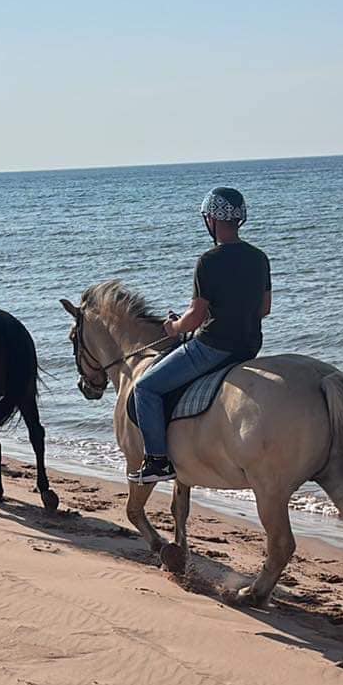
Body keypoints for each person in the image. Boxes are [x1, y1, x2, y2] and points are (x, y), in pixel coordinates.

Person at [127, 187, 272, 484]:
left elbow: (193, 318)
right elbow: (264, 309)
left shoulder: (209, 261)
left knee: (145, 388)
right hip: (248, 347)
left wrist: (173, 328)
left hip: (212, 347)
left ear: (211, 220)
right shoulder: (259, 258)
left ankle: (157, 461)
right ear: (239, 219)